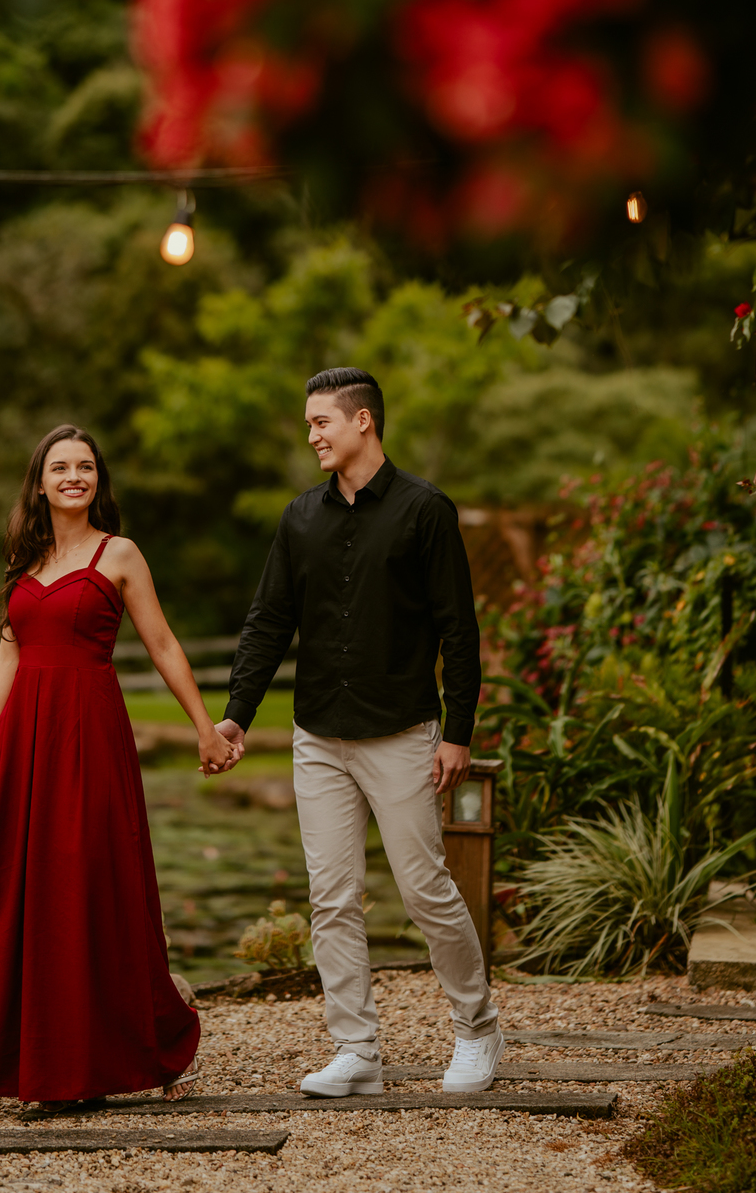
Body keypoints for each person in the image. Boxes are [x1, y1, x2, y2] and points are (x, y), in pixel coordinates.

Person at [0, 424, 238, 1109]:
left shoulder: (119, 554)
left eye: (85, 467)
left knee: (82, 881)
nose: (73, 477)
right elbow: (9, 653)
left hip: (89, 734)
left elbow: (163, 643)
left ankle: (91, 1061)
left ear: (98, 481)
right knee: (27, 886)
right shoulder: (24, 561)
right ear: (39, 483)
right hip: (26, 736)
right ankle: (24, 1060)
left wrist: (205, 729)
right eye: (59, 467)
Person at [217, 367, 503, 1097]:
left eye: (322, 422)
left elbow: (458, 630)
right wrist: (236, 715)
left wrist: (457, 731)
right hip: (318, 737)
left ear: (363, 422)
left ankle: (476, 1031)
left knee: (424, 890)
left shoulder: (425, 511)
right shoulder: (299, 518)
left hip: (402, 733)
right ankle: (357, 1053)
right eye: (311, 423)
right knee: (333, 896)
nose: (312, 434)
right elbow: (269, 622)